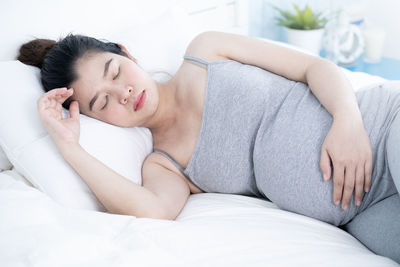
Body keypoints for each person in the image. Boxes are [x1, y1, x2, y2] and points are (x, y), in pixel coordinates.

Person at [18, 31, 399, 263]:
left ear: (125, 52)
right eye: (102, 104)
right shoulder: (164, 164)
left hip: (380, 127)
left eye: (115, 72)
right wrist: (69, 147)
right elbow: (152, 210)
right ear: (99, 121)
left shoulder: (206, 50)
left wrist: (347, 121)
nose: (123, 93)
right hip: (359, 211)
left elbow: (313, 67)